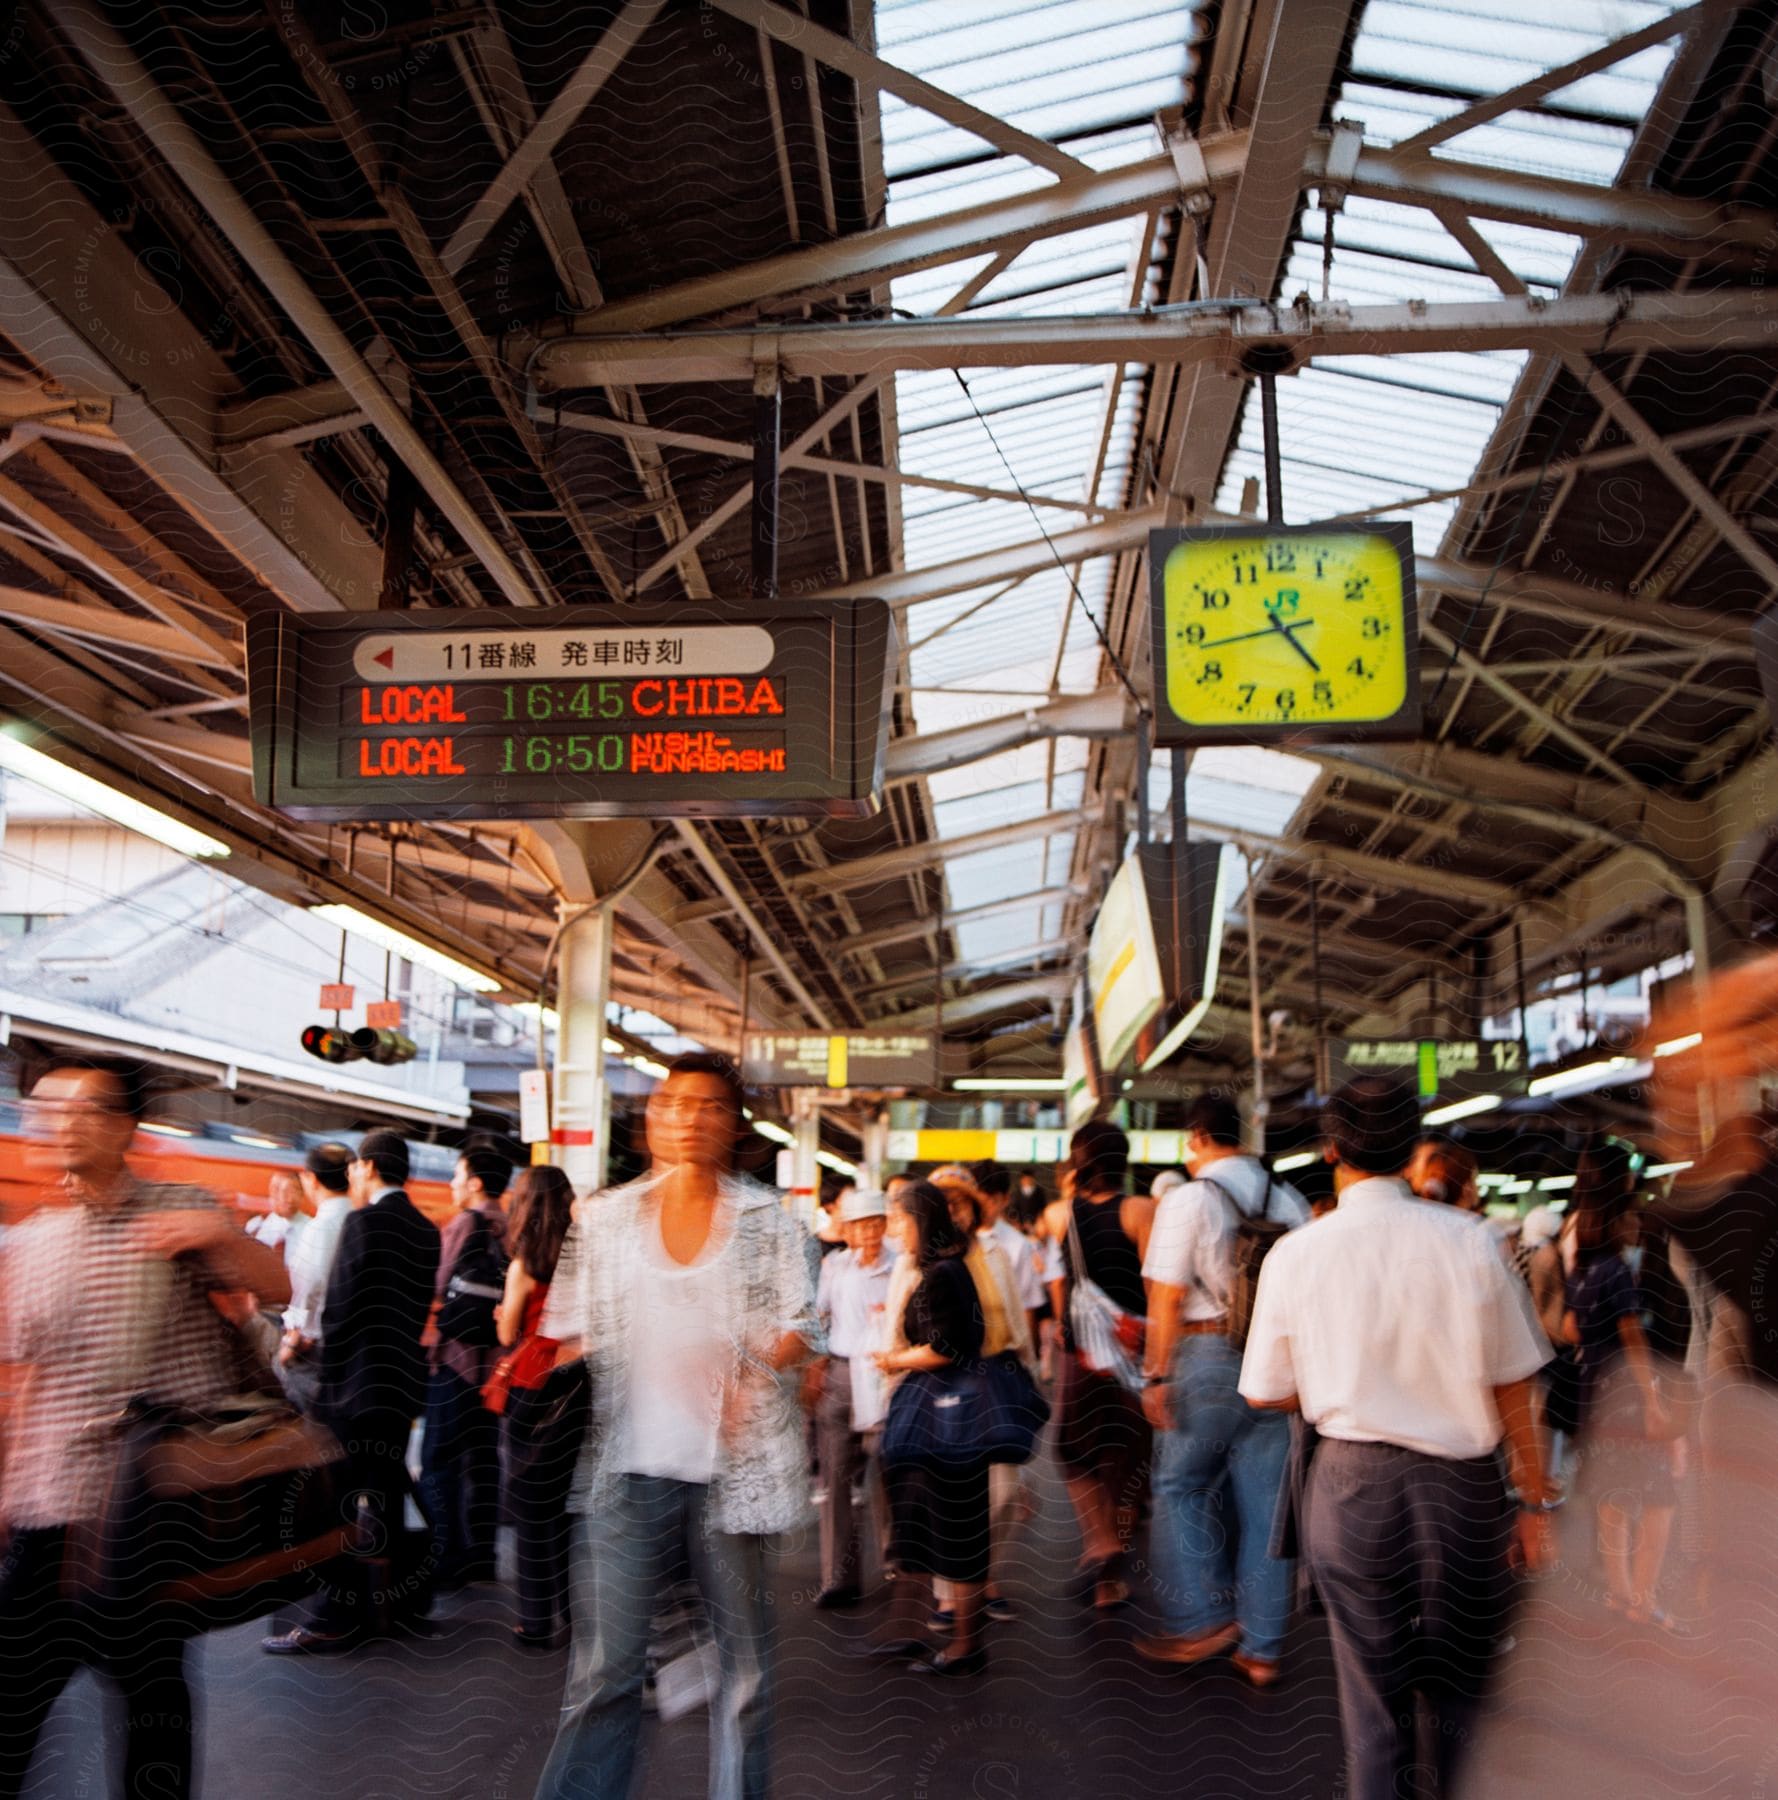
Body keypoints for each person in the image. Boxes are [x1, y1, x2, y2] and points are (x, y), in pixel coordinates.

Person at [1238, 1076, 1555, 1800]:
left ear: (1331, 1149)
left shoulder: (1297, 1253)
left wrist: (1337, 1383)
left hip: (1350, 1489)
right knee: (1462, 1701)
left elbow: (1263, 1389)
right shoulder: (1473, 1240)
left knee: (1375, 1708)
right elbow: (1514, 1384)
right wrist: (1535, 1503)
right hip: (1464, 1494)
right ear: (1412, 1148)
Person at [0, 1055, 292, 1799]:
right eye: (45, 1106)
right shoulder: (32, 1240)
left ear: (125, 1126)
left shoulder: (181, 1207)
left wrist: (214, 1236)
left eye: (82, 1107)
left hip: (152, 1507)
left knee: (152, 1702)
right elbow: (23, 1378)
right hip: (48, 1514)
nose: (58, 1120)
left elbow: (276, 1284)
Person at [532, 1052, 819, 1800]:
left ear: (734, 1127)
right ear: (651, 1118)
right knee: (604, 1675)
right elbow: (567, 1332)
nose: (689, 1117)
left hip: (737, 1474)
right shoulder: (602, 1218)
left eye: (710, 1106)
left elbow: (803, 1327)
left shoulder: (771, 1224)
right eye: (673, 1103)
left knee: (746, 1673)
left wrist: (757, 1365)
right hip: (624, 1471)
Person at [1137, 1092, 1310, 1684]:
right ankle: (1262, 1650)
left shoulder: (1189, 1198)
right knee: (1267, 1508)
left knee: (1180, 1485)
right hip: (1278, 1364)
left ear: (1196, 1138)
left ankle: (1203, 1618)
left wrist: (1156, 1374)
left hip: (1206, 1352)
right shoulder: (1289, 1200)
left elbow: (1165, 1293)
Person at [263, 1128, 440, 1654]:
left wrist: (325, 1392)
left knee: (333, 1502)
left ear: (366, 1168)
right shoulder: (426, 1231)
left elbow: (339, 1313)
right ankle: (395, 1605)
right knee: (385, 1493)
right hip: (400, 1387)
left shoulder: (365, 1224)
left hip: (353, 1391)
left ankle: (333, 1617)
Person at [868, 1179, 990, 1675]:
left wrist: (895, 1359)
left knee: (958, 1531)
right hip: (934, 1417)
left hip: (949, 1419)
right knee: (920, 1527)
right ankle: (911, 1632)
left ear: (922, 1221)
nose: (892, 1229)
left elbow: (947, 1347)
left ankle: (965, 1644)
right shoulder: (935, 1271)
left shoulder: (944, 1274)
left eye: (898, 1219)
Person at [1558, 1140, 1681, 1626]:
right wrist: (1653, 1400)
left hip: (1594, 1395)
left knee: (1612, 1498)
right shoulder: (1617, 1270)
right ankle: (1642, 1600)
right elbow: (1633, 1336)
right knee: (1659, 1499)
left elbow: (1569, 1328)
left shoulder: (1584, 1264)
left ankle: (1619, 1593)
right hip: (1627, 1400)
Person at [1041, 1121, 1154, 1609]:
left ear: (1077, 1164)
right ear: (1123, 1162)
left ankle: (1100, 1546)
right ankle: (1114, 1564)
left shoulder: (1058, 1214)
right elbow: (1155, 1285)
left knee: (1074, 1451)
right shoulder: (1142, 1211)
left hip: (1081, 1355)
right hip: (1132, 1352)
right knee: (1127, 1459)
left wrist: (1072, 1184)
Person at [930, 1168, 1035, 1625]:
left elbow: (1015, 1316)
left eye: (960, 1202)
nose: (953, 1211)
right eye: (944, 1203)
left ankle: (981, 1576)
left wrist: (1026, 1377)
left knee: (1004, 1491)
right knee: (949, 1492)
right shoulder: (918, 1257)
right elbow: (896, 1323)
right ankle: (950, 1594)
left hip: (994, 1379)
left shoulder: (996, 1252)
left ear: (974, 1208)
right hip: (940, 1383)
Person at [495, 1164, 587, 1648]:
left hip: (534, 1388)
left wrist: (502, 1316)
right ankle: (577, 1615)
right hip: (581, 1386)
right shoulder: (589, 1258)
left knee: (532, 1508)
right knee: (572, 1507)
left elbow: (509, 1332)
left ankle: (535, 1620)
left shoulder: (525, 1263)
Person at [421, 1141, 513, 1591]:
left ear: (475, 1182)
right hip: (498, 1370)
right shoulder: (514, 1226)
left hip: (456, 1363)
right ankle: (483, 1556)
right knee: (484, 1462)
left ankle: (445, 1557)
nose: (453, 1184)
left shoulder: (463, 1223)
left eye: (457, 1175)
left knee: (437, 1459)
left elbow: (437, 1283)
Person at [806, 1188, 898, 1608]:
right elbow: (819, 1317)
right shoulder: (834, 1266)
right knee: (837, 1478)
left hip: (885, 1374)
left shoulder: (901, 1264)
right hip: (842, 1373)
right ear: (845, 1230)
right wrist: (816, 1369)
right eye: (861, 1224)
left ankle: (897, 1561)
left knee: (888, 1470)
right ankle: (838, 1578)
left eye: (876, 1222)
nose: (870, 1231)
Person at [278, 1140, 358, 1416]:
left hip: (316, 1348)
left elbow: (310, 1288)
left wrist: (294, 1339)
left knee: (305, 1424)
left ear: (311, 1179)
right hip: (350, 1349)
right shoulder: (360, 1220)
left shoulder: (320, 1227)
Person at [1406, 1134, 1481, 1212]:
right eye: (1475, 1179)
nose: (1478, 1187)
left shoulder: (1411, 1213)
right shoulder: (1470, 1223)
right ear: (1467, 1189)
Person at [247, 1169, 312, 1257]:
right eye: (276, 1189)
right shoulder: (255, 1225)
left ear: (302, 1194)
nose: (284, 1197)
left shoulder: (311, 1228)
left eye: (291, 1191)